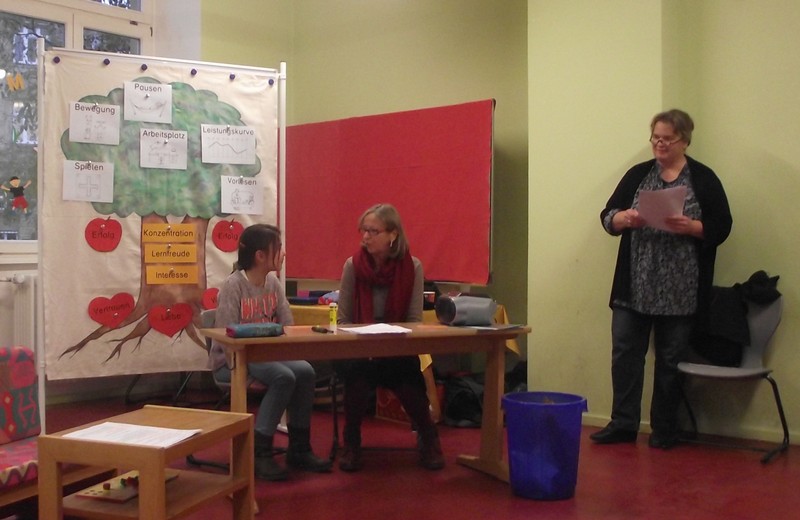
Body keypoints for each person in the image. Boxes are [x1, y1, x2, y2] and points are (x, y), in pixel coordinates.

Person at [593, 109, 732, 449]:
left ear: (684, 140)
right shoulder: (638, 175)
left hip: (681, 287)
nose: (660, 143)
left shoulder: (703, 178)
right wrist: (624, 218)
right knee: (625, 353)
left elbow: (722, 225)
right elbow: (608, 216)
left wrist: (693, 227)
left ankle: (664, 429)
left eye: (667, 138)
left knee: (671, 360)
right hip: (634, 283)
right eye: (656, 137)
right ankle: (623, 423)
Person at [210, 223, 332, 480]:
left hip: (268, 356)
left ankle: (299, 448)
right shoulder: (234, 285)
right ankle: (260, 452)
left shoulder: (273, 283)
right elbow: (225, 334)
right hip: (234, 360)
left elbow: (287, 325)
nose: (284, 253)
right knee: (283, 376)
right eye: (278, 248)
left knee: (306, 371)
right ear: (260, 255)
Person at [334, 203, 444, 472]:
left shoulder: (412, 267)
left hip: (396, 349)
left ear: (393, 234)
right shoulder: (352, 266)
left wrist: (390, 342)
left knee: (409, 382)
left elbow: (414, 321)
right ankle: (351, 442)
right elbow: (343, 321)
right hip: (360, 350)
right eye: (364, 230)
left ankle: (428, 438)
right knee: (356, 379)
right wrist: (365, 341)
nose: (365, 237)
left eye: (373, 231)